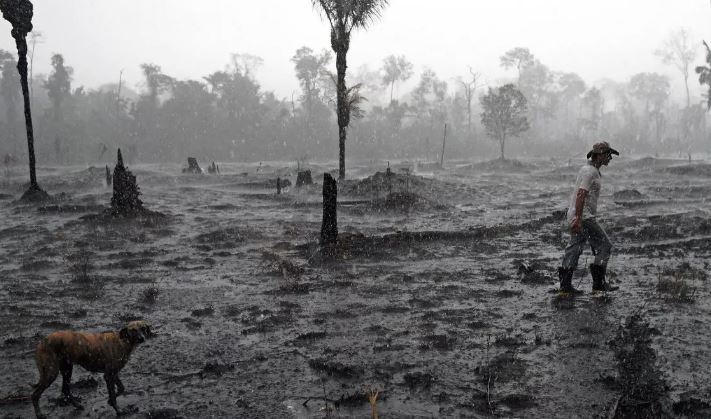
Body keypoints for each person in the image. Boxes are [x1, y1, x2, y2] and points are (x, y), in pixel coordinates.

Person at [558, 141, 620, 294]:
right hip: (584, 216)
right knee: (605, 246)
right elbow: (581, 194)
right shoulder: (589, 172)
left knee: (575, 247)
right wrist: (579, 218)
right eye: (608, 155)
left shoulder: (589, 170)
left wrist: (576, 217)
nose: (610, 158)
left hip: (578, 214)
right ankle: (598, 285)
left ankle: (565, 287)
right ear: (599, 155)